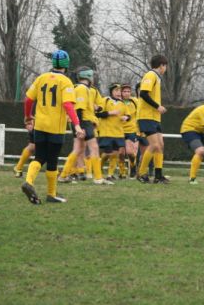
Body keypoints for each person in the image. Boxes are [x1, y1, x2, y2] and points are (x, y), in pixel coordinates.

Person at [21, 50, 85, 205]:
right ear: (66, 64)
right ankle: (51, 194)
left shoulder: (41, 78)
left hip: (40, 125)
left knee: (39, 157)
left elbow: (28, 100)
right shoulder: (66, 82)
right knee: (52, 161)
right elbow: (67, 105)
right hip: (55, 127)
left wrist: (28, 117)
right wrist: (77, 125)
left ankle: (28, 182)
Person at [58, 67, 106, 185]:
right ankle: (98, 178)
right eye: (92, 76)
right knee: (94, 147)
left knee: (78, 149)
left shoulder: (82, 88)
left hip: (82, 121)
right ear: (88, 77)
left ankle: (63, 175)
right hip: (84, 121)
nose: (94, 78)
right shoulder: (82, 88)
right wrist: (79, 127)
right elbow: (79, 109)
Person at [136, 55, 169, 183]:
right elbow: (143, 94)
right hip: (146, 116)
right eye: (165, 66)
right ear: (161, 65)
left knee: (160, 145)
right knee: (154, 145)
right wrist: (158, 106)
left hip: (154, 117)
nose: (165, 69)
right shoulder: (150, 75)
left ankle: (158, 176)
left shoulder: (157, 78)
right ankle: (141, 173)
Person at [96, 83, 127, 183]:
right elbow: (98, 114)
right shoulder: (105, 100)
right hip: (106, 132)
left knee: (115, 153)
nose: (119, 93)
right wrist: (110, 113)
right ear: (111, 92)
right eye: (116, 91)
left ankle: (110, 175)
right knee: (107, 153)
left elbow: (128, 115)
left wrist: (126, 117)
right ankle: (98, 170)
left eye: (119, 91)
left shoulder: (122, 103)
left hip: (118, 133)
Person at [120, 83, 140, 179]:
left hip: (131, 130)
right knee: (120, 153)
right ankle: (122, 172)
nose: (127, 93)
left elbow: (140, 113)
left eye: (128, 91)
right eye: (124, 91)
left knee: (130, 152)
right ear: (121, 92)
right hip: (119, 130)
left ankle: (133, 166)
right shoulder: (118, 102)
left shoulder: (135, 101)